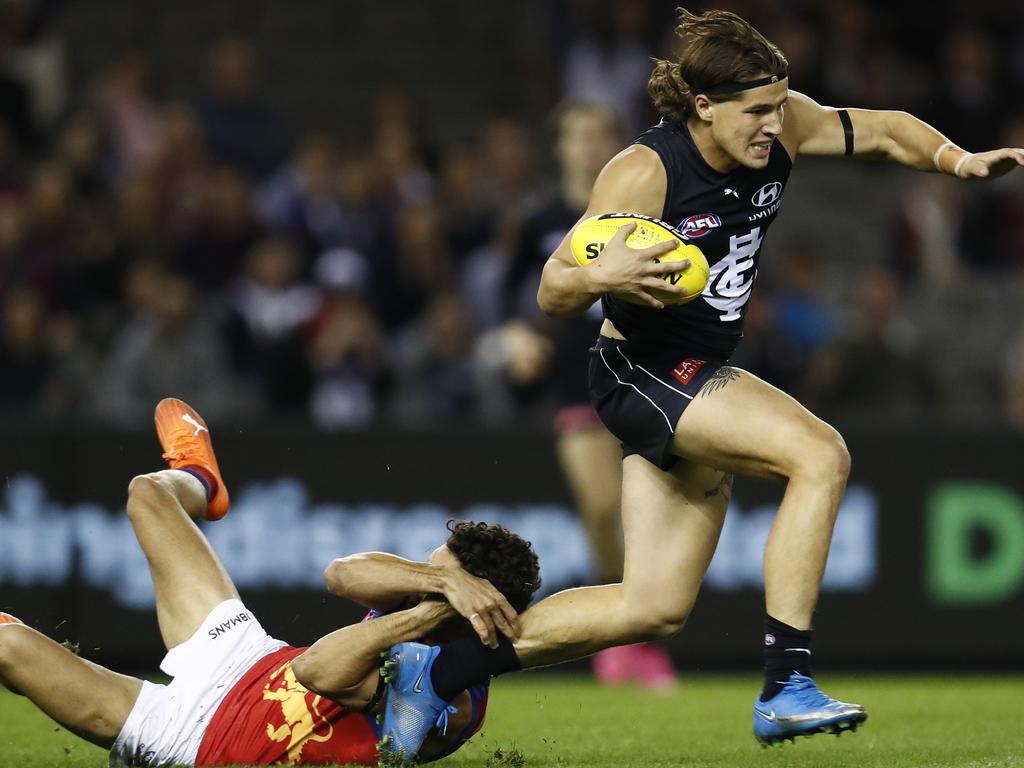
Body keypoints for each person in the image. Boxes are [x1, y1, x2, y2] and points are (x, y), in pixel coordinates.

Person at [378, 7, 1024, 756]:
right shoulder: (644, 171)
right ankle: (787, 682)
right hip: (644, 371)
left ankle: (437, 669)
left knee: (650, 608)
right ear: (704, 107)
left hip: (694, 373)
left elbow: (881, 129)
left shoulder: (783, 126)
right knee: (820, 455)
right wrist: (600, 273)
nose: (773, 123)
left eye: (779, 106)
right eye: (756, 110)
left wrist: (957, 160)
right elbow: (552, 288)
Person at [0, 398, 540, 766]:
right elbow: (342, 573)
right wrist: (438, 582)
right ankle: (202, 480)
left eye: (439, 567)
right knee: (149, 495)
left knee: (7, 644)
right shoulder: (424, 589)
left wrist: (433, 606)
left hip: (192, 738)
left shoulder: (453, 691)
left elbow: (321, 669)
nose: (424, 572)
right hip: (245, 655)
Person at [501, 100, 676, 689]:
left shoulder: (651, 206)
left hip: (652, 373)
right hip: (576, 378)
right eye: (574, 135)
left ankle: (636, 632)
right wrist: (517, 336)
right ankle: (626, 640)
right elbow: (513, 298)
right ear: (559, 147)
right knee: (602, 510)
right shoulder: (541, 219)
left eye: (597, 134)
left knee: (650, 521)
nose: (586, 145)